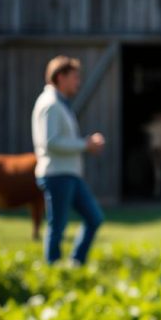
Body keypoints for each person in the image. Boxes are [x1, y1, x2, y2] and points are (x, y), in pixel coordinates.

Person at [31, 56, 106, 265]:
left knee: (94, 218)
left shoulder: (59, 103)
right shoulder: (50, 104)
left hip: (68, 174)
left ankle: (75, 263)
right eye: (74, 77)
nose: (78, 82)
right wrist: (85, 144)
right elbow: (50, 141)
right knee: (58, 226)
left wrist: (85, 144)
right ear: (60, 77)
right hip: (57, 174)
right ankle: (53, 268)